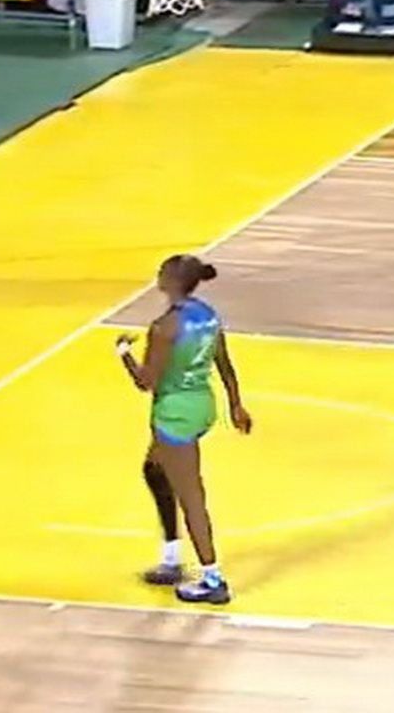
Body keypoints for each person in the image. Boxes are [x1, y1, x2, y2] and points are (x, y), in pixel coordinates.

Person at [117, 254, 251, 606]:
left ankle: (213, 578)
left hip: (175, 415)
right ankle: (171, 557)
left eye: (162, 271)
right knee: (153, 469)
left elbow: (146, 382)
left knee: (192, 498)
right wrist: (236, 404)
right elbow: (224, 362)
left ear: (172, 281)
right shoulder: (207, 316)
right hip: (202, 403)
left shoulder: (164, 328)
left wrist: (124, 354)